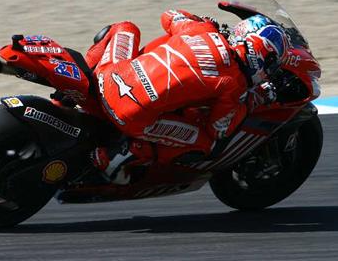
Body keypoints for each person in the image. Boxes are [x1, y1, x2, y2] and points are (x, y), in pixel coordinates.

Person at [85, 10, 289, 184]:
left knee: (126, 27)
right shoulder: (233, 84)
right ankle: (116, 157)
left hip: (107, 77)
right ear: (263, 58)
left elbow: (169, 15)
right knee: (204, 144)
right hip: (129, 116)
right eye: (271, 64)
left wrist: (199, 20)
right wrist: (255, 99)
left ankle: (80, 80)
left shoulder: (202, 30)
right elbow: (218, 129)